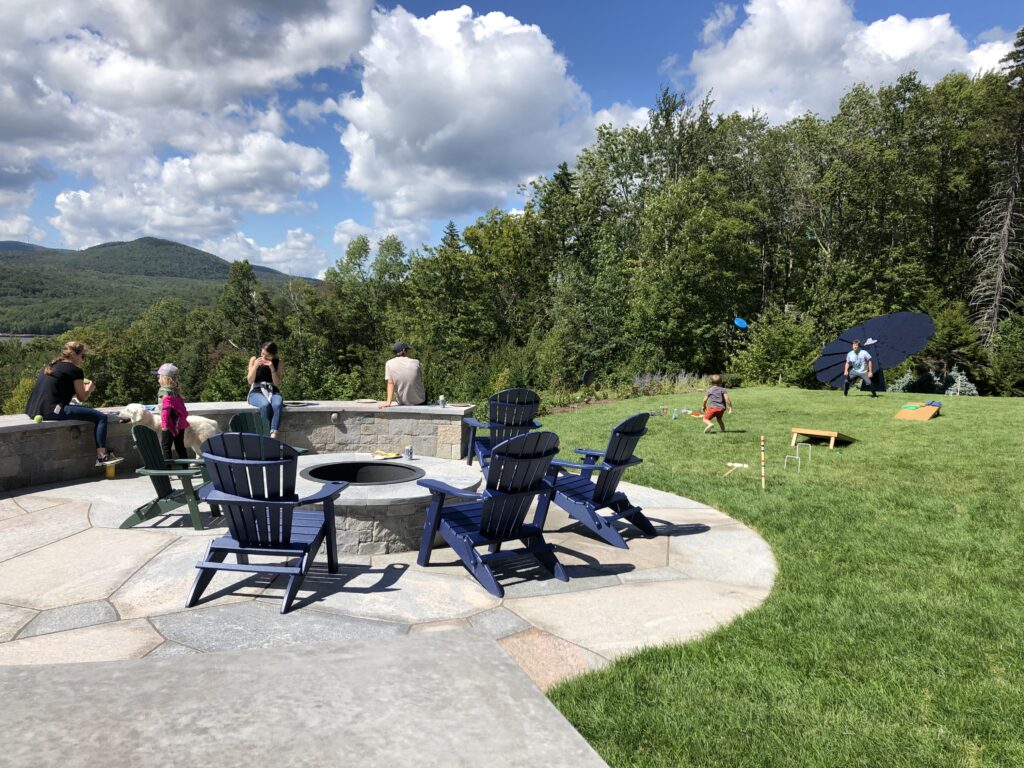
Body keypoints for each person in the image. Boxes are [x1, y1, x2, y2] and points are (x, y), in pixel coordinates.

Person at [25, 340, 123, 466]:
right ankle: (101, 456)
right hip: (52, 410)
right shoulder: (75, 370)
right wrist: (89, 389)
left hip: (33, 410)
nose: (83, 360)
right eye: (83, 356)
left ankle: (102, 455)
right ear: (74, 355)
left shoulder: (50, 366)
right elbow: (82, 397)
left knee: (84, 410)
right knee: (101, 417)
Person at [247, 341, 284, 437]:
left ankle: (273, 433)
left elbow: (277, 383)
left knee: (277, 404)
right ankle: (265, 434)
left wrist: (272, 368)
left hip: (273, 390)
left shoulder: (278, 362)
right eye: (262, 353)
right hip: (257, 391)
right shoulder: (254, 359)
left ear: (273, 355)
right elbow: (250, 381)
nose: (264, 357)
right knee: (265, 405)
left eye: (267, 356)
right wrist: (255, 366)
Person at [156, 363, 190, 461]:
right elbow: (183, 409)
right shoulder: (175, 391)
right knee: (180, 447)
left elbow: (165, 410)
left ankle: (168, 468)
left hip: (169, 425)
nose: (158, 379)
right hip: (179, 424)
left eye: (159, 377)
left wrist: (164, 425)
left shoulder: (164, 391)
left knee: (166, 447)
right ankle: (185, 467)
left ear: (165, 378)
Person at [379, 341, 426, 407]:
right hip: (419, 401)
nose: (408, 352)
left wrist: (388, 402)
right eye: (407, 350)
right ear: (404, 350)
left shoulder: (389, 363)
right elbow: (420, 378)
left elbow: (390, 383)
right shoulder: (416, 362)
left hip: (402, 402)